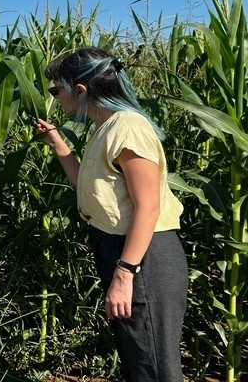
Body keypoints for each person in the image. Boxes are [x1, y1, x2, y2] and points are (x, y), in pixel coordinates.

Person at [36, 47, 188, 381]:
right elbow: (92, 188)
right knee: (139, 358)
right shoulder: (105, 128)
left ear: (80, 90)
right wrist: (59, 144)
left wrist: (125, 273)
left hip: (143, 257)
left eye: (56, 89)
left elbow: (148, 206)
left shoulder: (128, 128)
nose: (54, 98)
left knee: (155, 366)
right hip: (123, 253)